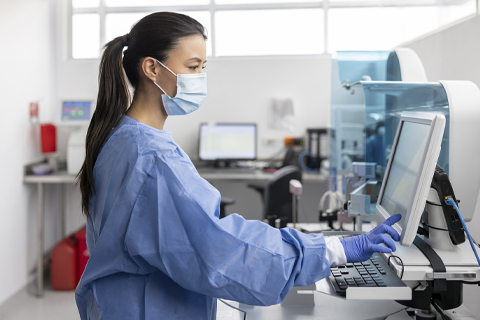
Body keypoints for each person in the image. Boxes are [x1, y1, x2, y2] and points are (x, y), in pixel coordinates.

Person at [75, 12, 401, 320]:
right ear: (152, 68)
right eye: (191, 67)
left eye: (203, 67)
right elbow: (217, 251)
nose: (200, 78)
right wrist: (331, 250)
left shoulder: (120, 137)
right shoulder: (151, 157)